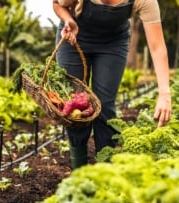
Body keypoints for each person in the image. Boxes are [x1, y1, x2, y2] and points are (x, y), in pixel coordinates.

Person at [52, 0, 172, 169]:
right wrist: (68, 20)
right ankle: (78, 170)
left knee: (104, 106)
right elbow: (58, 3)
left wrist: (164, 93)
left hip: (113, 44)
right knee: (74, 106)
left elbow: (157, 47)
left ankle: (105, 171)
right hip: (74, 37)